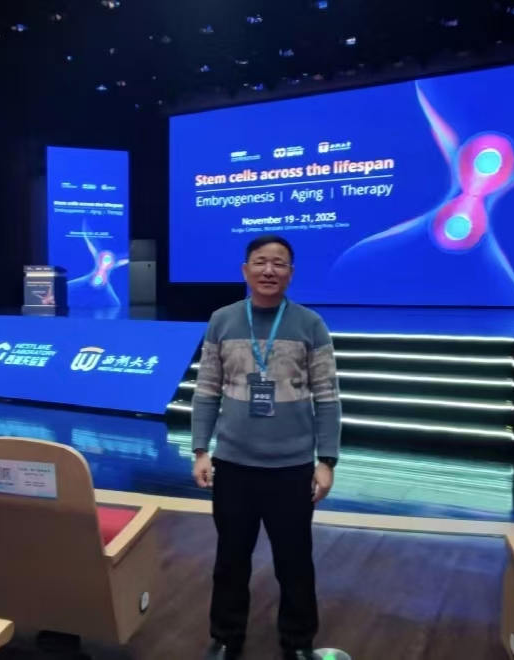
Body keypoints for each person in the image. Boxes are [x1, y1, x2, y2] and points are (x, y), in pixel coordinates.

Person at [192, 235, 342, 660]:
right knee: (230, 560)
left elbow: (327, 397)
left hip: (291, 467)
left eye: (279, 263)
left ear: (291, 273)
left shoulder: (310, 324)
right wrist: (200, 450)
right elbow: (207, 390)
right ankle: (226, 638)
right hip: (233, 464)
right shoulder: (222, 320)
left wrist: (326, 461)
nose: (269, 270)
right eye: (260, 262)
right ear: (245, 270)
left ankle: (298, 643)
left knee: (294, 563)